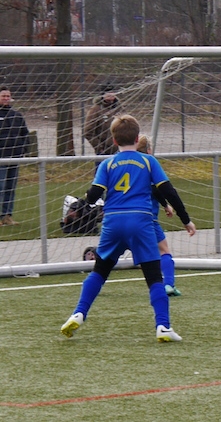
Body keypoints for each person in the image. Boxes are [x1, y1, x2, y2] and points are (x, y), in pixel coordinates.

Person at [60, 114, 197, 342]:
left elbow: (94, 195)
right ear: (137, 138)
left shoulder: (107, 164)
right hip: (140, 221)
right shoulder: (148, 162)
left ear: (114, 140)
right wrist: (185, 220)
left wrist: (83, 201)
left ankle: (78, 313)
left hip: (112, 222)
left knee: (100, 271)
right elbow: (168, 191)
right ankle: (163, 326)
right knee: (153, 276)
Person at [136, 135, 183, 297]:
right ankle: (168, 284)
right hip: (146, 219)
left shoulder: (126, 165)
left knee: (109, 257)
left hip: (122, 218)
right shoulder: (149, 164)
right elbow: (157, 188)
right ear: (149, 150)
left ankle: (93, 281)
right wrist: (167, 205)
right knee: (164, 250)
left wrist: (164, 205)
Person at [0, 86, 29, 226]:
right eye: (3, 96)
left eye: (8, 96)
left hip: (14, 157)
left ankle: (7, 216)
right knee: (0, 186)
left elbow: (25, 134)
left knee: (10, 187)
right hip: (1, 158)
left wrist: (23, 149)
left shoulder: (16, 115)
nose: (6, 98)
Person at [85, 84, 123, 157]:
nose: (111, 96)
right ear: (102, 95)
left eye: (113, 93)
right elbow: (88, 131)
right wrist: (99, 148)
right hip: (104, 152)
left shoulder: (119, 108)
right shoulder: (95, 110)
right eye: (108, 94)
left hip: (120, 150)